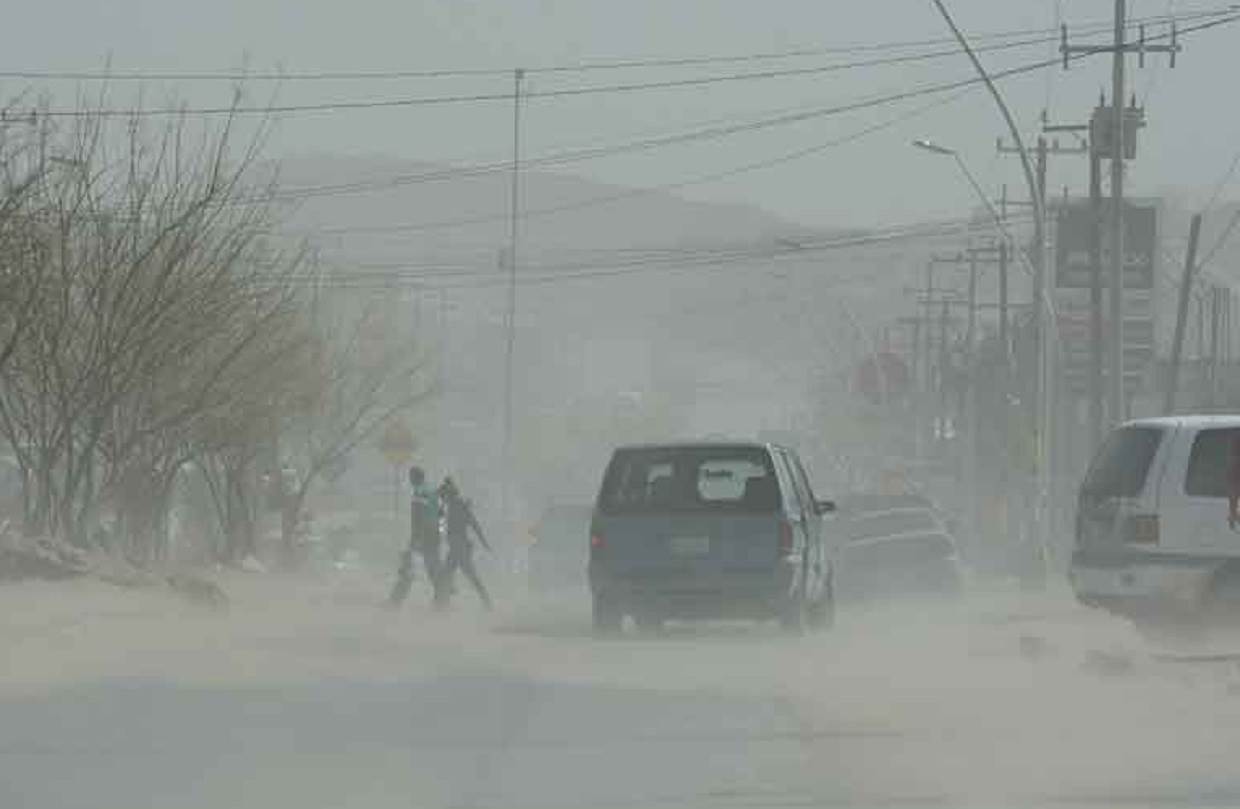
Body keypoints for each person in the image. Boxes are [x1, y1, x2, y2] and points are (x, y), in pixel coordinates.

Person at [436, 476, 493, 610]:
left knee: (467, 574)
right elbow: (442, 525)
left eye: (443, 497)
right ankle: (442, 603)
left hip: (460, 547)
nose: (442, 500)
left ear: (448, 495)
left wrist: (484, 543)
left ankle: (486, 600)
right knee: (447, 574)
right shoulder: (451, 505)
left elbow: (474, 524)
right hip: (456, 546)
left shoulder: (459, 505)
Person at [388, 465, 441, 607]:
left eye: (411, 477)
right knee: (432, 567)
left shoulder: (419, 493)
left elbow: (418, 516)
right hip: (433, 534)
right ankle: (442, 598)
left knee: (408, 567)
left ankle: (395, 600)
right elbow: (438, 514)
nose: (410, 480)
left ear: (415, 478)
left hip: (423, 534)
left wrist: (415, 538)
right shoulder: (432, 491)